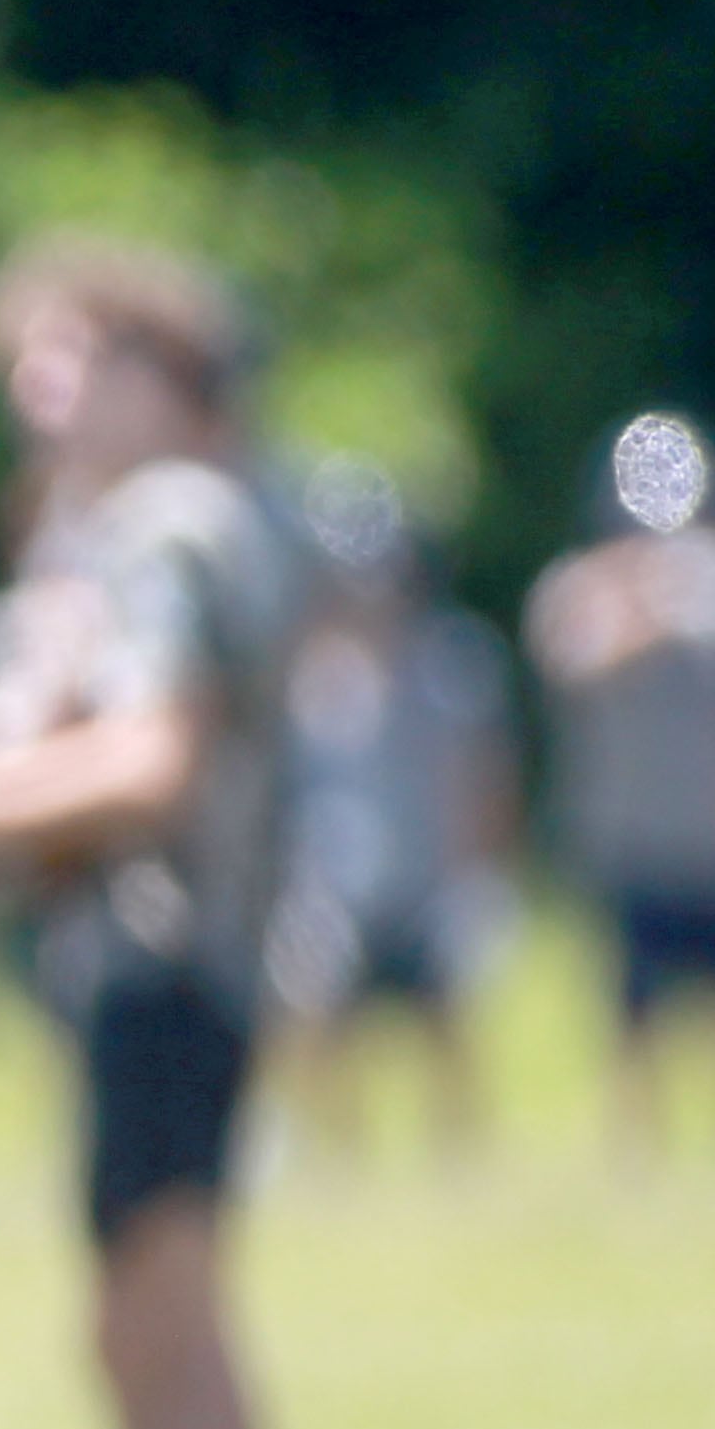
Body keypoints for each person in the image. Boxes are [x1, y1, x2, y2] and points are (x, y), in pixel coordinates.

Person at [0, 236, 298, 1429]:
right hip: (122, 968)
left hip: (177, 959)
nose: (39, 394)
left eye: (70, 360)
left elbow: (158, 761)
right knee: (131, 1319)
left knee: (172, 1309)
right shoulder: (99, 536)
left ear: (157, 375)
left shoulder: (175, 524)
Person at [268, 460, 513, 1157]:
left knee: (447, 1016)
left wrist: (480, 878)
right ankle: (340, 1147)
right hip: (331, 886)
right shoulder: (308, 676)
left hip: (430, 876)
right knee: (315, 1017)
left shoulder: (451, 664)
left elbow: (481, 780)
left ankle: (460, 1144)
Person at [522, 408, 715, 1153]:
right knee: (630, 1007)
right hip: (626, 836)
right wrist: (651, 600)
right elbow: (573, 662)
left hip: (714, 837)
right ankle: (637, 1142)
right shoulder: (577, 586)